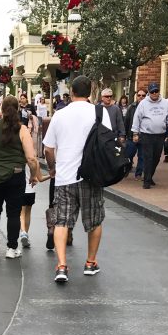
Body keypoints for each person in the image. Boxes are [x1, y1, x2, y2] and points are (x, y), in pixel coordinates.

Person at [43, 75, 111, 283]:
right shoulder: (100, 112)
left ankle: (62, 265)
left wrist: (53, 168)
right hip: (91, 175)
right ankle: (90, 262)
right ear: (90, 92)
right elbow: (107, 141)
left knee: (62, 221)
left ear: (71, 92)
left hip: (65, 176)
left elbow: (48, 148)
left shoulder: (60, 115)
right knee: (95, 220)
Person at [0, 95, 40, 259]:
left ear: (1, 109)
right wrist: (33, 176)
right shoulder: (23, 130)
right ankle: (12, 248)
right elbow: (31, 159)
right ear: (18, 109)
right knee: (13, 213)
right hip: (15, 175)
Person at [131, 81, 168, 189]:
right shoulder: (143, 104)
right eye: (152, 92)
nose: (154, 93)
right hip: (147, 134)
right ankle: (146, 181)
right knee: (148, 158)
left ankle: (149, 177)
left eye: (156, 91)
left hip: (160, 135)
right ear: (149, 92)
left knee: (156, 158)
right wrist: (135, 133)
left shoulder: (165, 103)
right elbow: (137, 118)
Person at [124, 87, 146, 177]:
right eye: (139, 95)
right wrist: (124, 134)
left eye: (143, 95)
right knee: (129, 154)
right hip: (131, 136)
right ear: (136, 96)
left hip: (144, 136)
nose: (141, 97)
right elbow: (127, 121)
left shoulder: (148, 107)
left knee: (142, 157)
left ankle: (138, 174)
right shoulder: (131, 107)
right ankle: (127, 169)